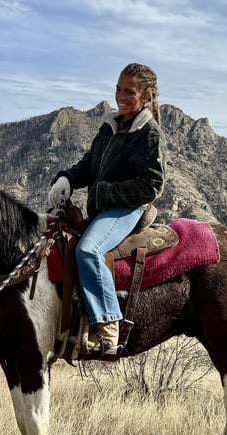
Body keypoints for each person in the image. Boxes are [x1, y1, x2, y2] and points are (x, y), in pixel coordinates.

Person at [47, 63, 166, 356]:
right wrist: (68, 178)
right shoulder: (109, 126)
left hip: (127, 208)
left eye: (129, 92)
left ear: (146, 96)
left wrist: (105, 192)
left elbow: (152, 186)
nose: (121, 96)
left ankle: (108, 326)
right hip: (103, 208)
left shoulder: (148, 133)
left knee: (88, 250)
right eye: (118, 89)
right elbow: (89, 164)